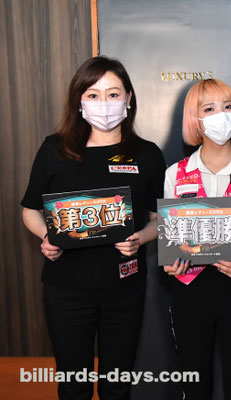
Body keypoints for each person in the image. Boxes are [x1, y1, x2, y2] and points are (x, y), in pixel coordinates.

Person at [21, 56, 166, 399]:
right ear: (79, 101)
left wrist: (140, 238)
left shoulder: (147, 154)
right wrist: (47, 236)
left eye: (113, 94)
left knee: (117, 385)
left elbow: (162, 218)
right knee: (74, 385)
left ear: (128, 98)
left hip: (124, 289)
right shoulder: (55, 149)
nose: (104, 103)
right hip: (66, 289)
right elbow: (30, 210)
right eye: (93, 95)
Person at [162, 78, 231, 400]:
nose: (221, 114)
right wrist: (171, 263)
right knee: (195, 385)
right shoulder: (175, 173)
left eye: (227, 106)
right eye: (209, 108)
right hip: (190, 290)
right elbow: (170, 236)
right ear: (195, 119)